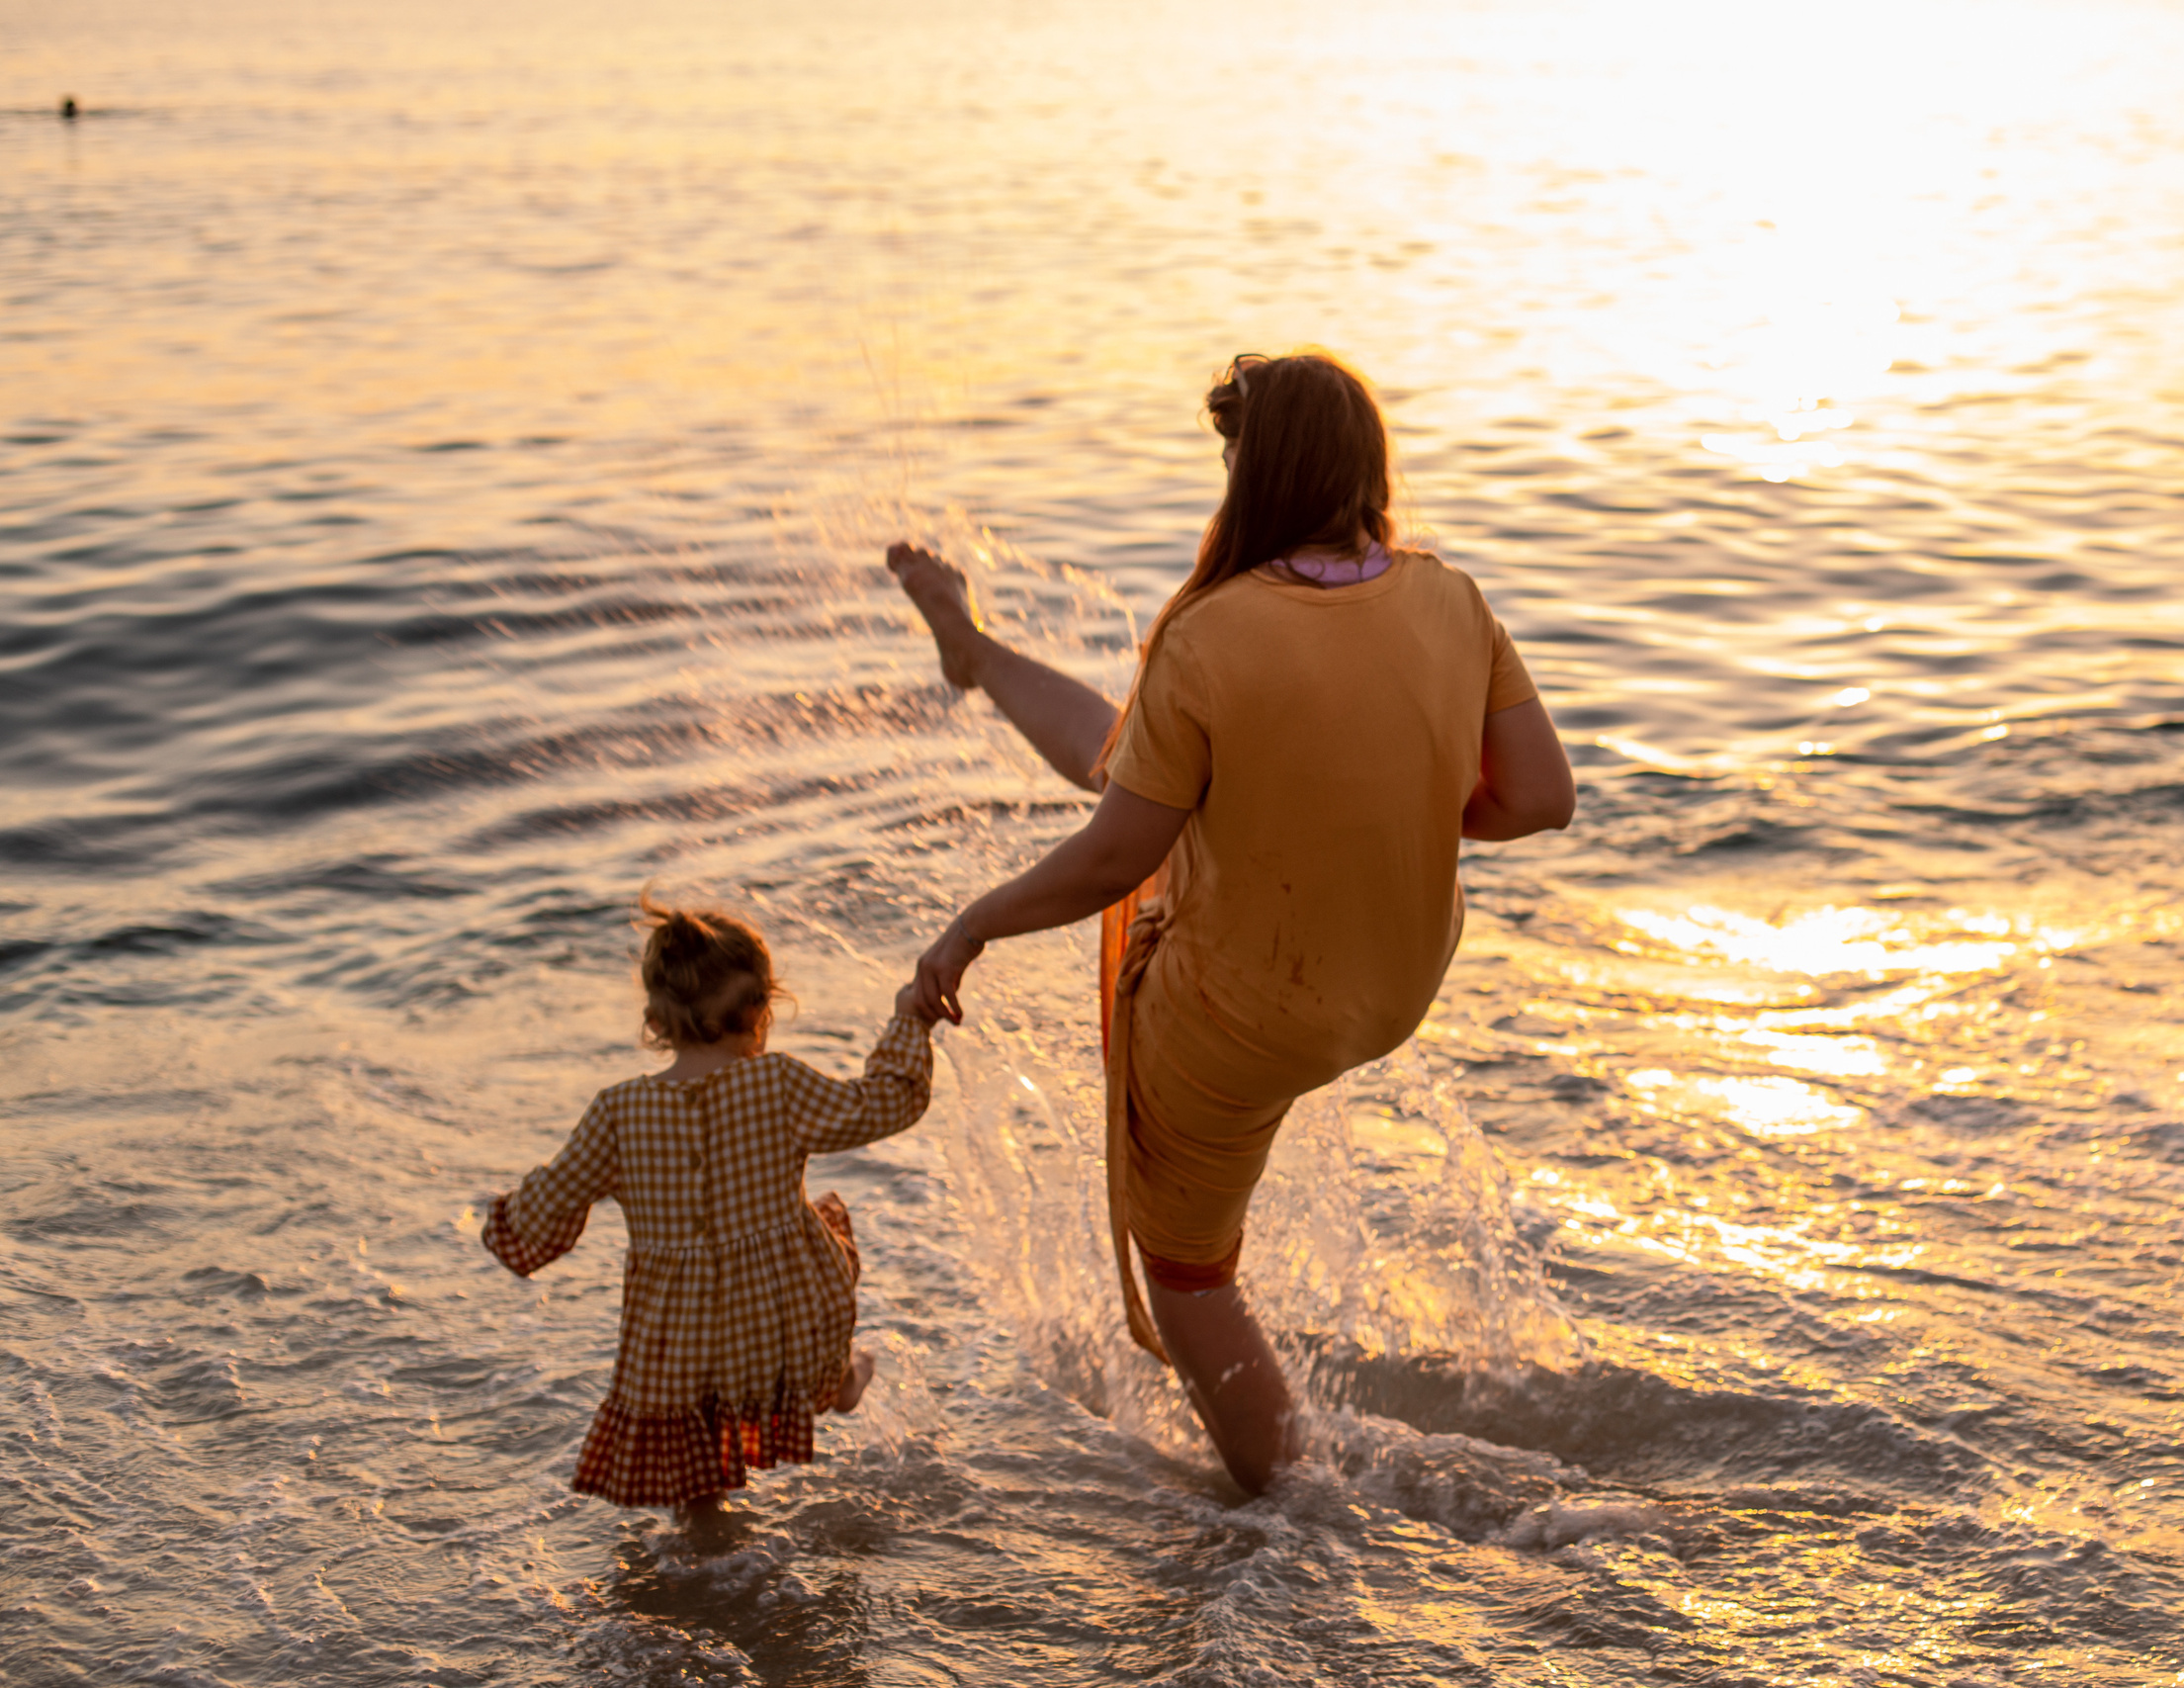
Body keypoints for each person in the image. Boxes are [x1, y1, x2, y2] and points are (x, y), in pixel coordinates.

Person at [889, 348, 1574, 1495]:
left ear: (1254, 476)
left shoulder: (1205, 635)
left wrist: (968, 930)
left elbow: (1117, 861)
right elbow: (1542, 799)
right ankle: (977, 653)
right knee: (1133, 761)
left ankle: (1290, 1501)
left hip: (1243, 1015)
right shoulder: (1451, 597)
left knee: (1188, 1279)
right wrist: (1368, 805)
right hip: (1392, 986)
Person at [480, 895, 939, 1511]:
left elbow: (549, 1203)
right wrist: (909, 1020)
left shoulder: (617, 1113)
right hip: (783, 1331)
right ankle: (840, 1384)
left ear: (657, 1019)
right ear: (759, 1008)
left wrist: (504, 1211)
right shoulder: (777, 1084)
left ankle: (710, 1550)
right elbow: (882, 1104)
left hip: (678, 1348)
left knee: (694, 1474)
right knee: (816, 1334)